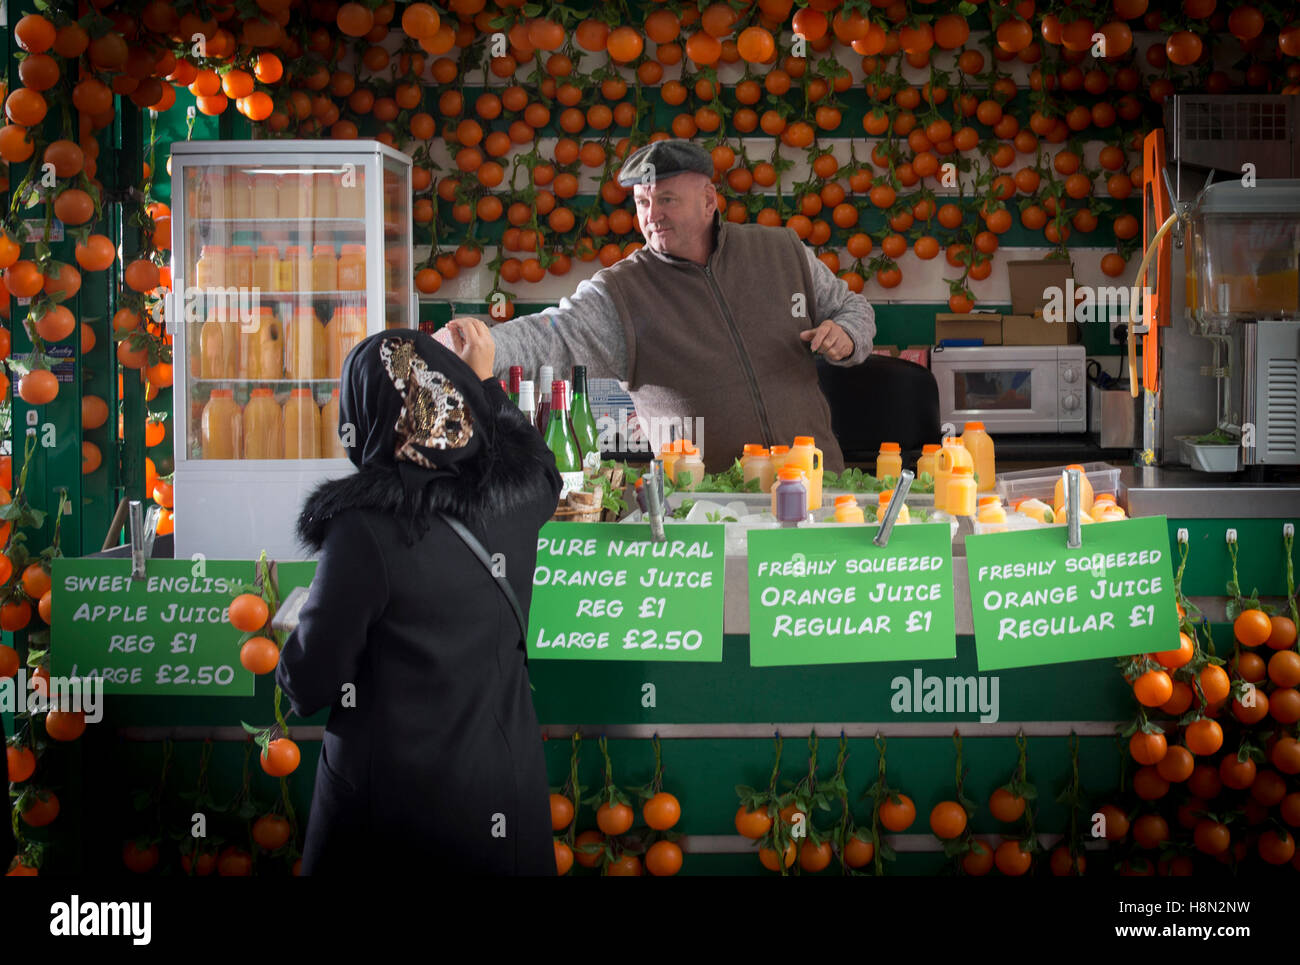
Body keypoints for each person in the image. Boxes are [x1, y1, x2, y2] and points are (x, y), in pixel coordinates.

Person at [276, 324, 561, 875]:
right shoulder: (519, 500)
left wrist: (287, 633)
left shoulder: (363, 529)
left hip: (391, 807)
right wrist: (483, 383)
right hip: (502, 790)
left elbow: (311, 684)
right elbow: (540, 463)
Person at [444, 138, 876, 474]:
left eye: (667, 200)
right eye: (642, 203)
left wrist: (848, 335)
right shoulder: (621, 292)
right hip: (702, 508)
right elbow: (549, 335)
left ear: (709, 200)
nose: (652, 215)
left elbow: (853, 309)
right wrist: (475, 345)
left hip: (817, 487)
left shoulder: (781, 251)